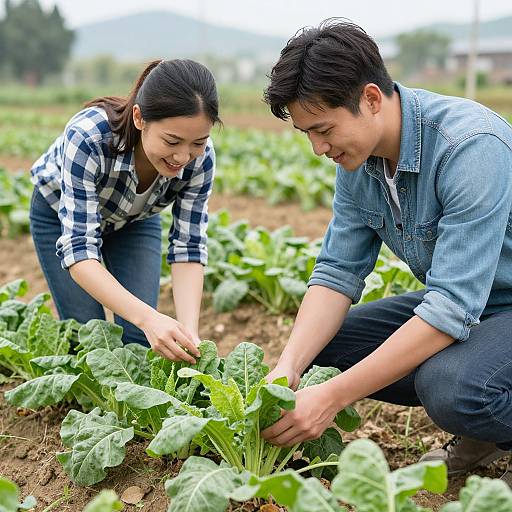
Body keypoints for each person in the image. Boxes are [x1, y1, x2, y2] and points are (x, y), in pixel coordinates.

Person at [260, 19, 512, 484]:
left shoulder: (469, 147)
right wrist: (287, 368)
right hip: (476, 310)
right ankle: (486, 427)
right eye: (306, 134)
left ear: (372, 99)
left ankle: (486, 415)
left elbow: (452, 307)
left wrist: (332, 398)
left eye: (323, 129)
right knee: (324, 346)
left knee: (452, 388)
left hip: (497, 305)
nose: (318, 148)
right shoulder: (358, 161)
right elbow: (337, 271)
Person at [30, 59, 220, 364]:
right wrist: (149, 318)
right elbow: (79, 250)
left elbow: (189, 247)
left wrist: (190, 333)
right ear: (139, 118)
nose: (183, 156)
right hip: (59, 218)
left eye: (198, 142)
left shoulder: (201, 160)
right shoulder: (88, 138)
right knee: (88, 336)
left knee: (140, 339)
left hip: (134, 220)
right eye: (172, 141)